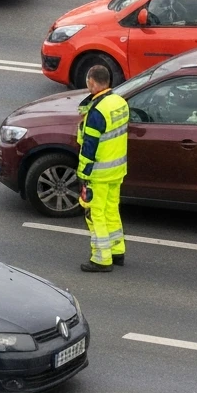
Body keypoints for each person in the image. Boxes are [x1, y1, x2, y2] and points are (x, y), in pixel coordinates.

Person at [77, 64, 129, 272]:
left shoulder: (97, 111)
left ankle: (101, 259)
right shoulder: (120, 102)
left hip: (99, 173)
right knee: (111, 210)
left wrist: (83, 174)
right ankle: (117, 251)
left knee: (95, 214)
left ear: (91, 82)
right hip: (117, 170)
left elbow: (89, 146)